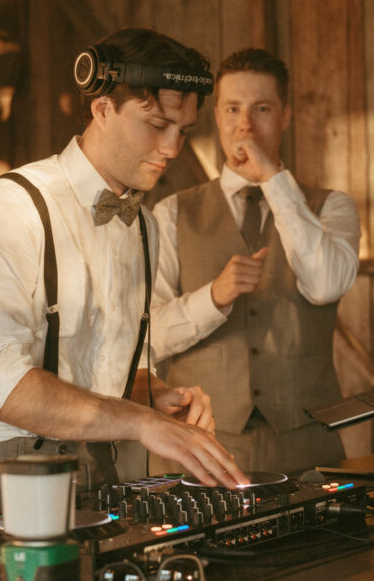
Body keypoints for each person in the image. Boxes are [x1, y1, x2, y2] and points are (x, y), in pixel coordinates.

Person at [0, 28, 249, 522]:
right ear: (101, 107)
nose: (171, 148)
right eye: (157, 124)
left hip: (100, 470)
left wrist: (156, 395)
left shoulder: (142, 222)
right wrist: (141, 423)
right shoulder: (8, 208)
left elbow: (112, 367)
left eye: (183, 131)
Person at [150, 48, 361, 474]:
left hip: (306, 443)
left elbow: (325, 285)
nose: (244, 125)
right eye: (232, 109)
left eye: (261, 109)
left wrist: (273, 180)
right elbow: (147, 336)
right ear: (216, 117)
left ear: (285, 116)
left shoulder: (332, 207)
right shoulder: (171, 213)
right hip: (196, 443)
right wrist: (212, 298)